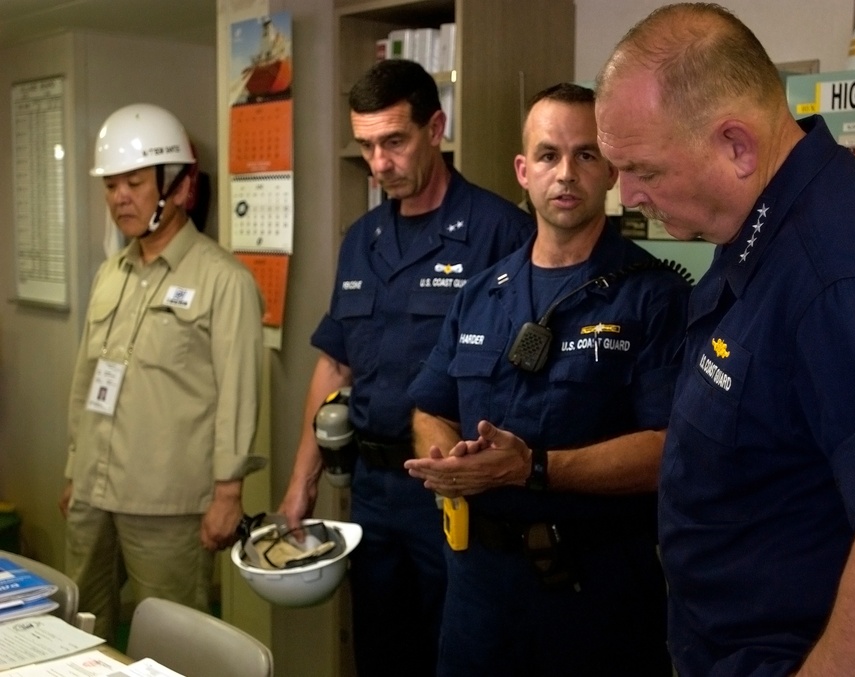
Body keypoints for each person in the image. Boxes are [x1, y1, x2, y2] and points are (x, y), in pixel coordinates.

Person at [594, 4, 855, 675]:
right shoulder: (759, 226)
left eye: (644, 170)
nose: (626, 193)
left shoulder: (844, 267)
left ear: (736, 144)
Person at [405, 83, 690, 677]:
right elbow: (431, 404)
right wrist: (446, 463)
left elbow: (669, 452)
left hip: (594, 593)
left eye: (586, 155)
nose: (566, 173)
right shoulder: (480, 295)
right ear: (522, 171)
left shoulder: (655, 298)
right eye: (548, 155)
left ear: (611, 170)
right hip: (478, 590)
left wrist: (532, 466)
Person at [277, 59, 534, 677]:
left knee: (460, 654)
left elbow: (526, 380)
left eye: (394, 142)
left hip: (457, 493)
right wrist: (299, 483)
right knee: (382, 654)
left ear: (435, 128)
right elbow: (335, 367)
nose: (378, 164)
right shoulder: (361, 239)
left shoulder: (500, 232)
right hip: (373, 488)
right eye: (366, 146)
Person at [60, 103, 264, 641]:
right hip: (93, 491)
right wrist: (74, 467)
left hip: (167, 505)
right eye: (110, 186)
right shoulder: (112, 273)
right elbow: (87, 379)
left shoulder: (225, 280)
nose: (119, 197)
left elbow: (239, 396)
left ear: (176, 186)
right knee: (80, 627)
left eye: (133, 183)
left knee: (170, 641)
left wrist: (228, 495)